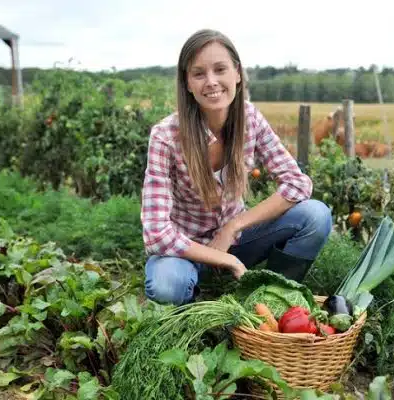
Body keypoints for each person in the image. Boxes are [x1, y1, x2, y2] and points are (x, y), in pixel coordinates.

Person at [140, 29, 332, 306]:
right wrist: (223, 258)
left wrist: (234, 225)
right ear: (187, 83)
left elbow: (298, 183)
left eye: (220, 69)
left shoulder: (250, 118)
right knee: (169, 284)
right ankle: (196, 310)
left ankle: (266, 300)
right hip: (184, 252)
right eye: (199, 74)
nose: (211, 82)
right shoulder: (166, 136)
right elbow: (157, 234)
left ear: (238, 73)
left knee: (315, 215)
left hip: (239, 241)